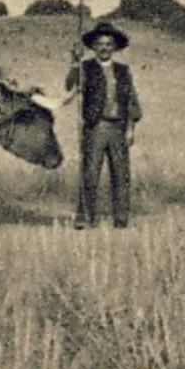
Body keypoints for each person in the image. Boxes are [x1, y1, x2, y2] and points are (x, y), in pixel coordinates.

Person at [64, 21, 142, 229]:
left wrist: (130, 130)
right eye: (100, 44)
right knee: (89, 174)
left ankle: (121, 220)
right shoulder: (85, 68)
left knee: (121, 174)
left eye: (109, 44)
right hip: (95, 127)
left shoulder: (123, 71)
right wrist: (74, 62)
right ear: (94, 47)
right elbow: (70, 85)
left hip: (118, 129)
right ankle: (85, 218)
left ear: (115, 47)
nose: (104, 48)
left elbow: (131, 101)